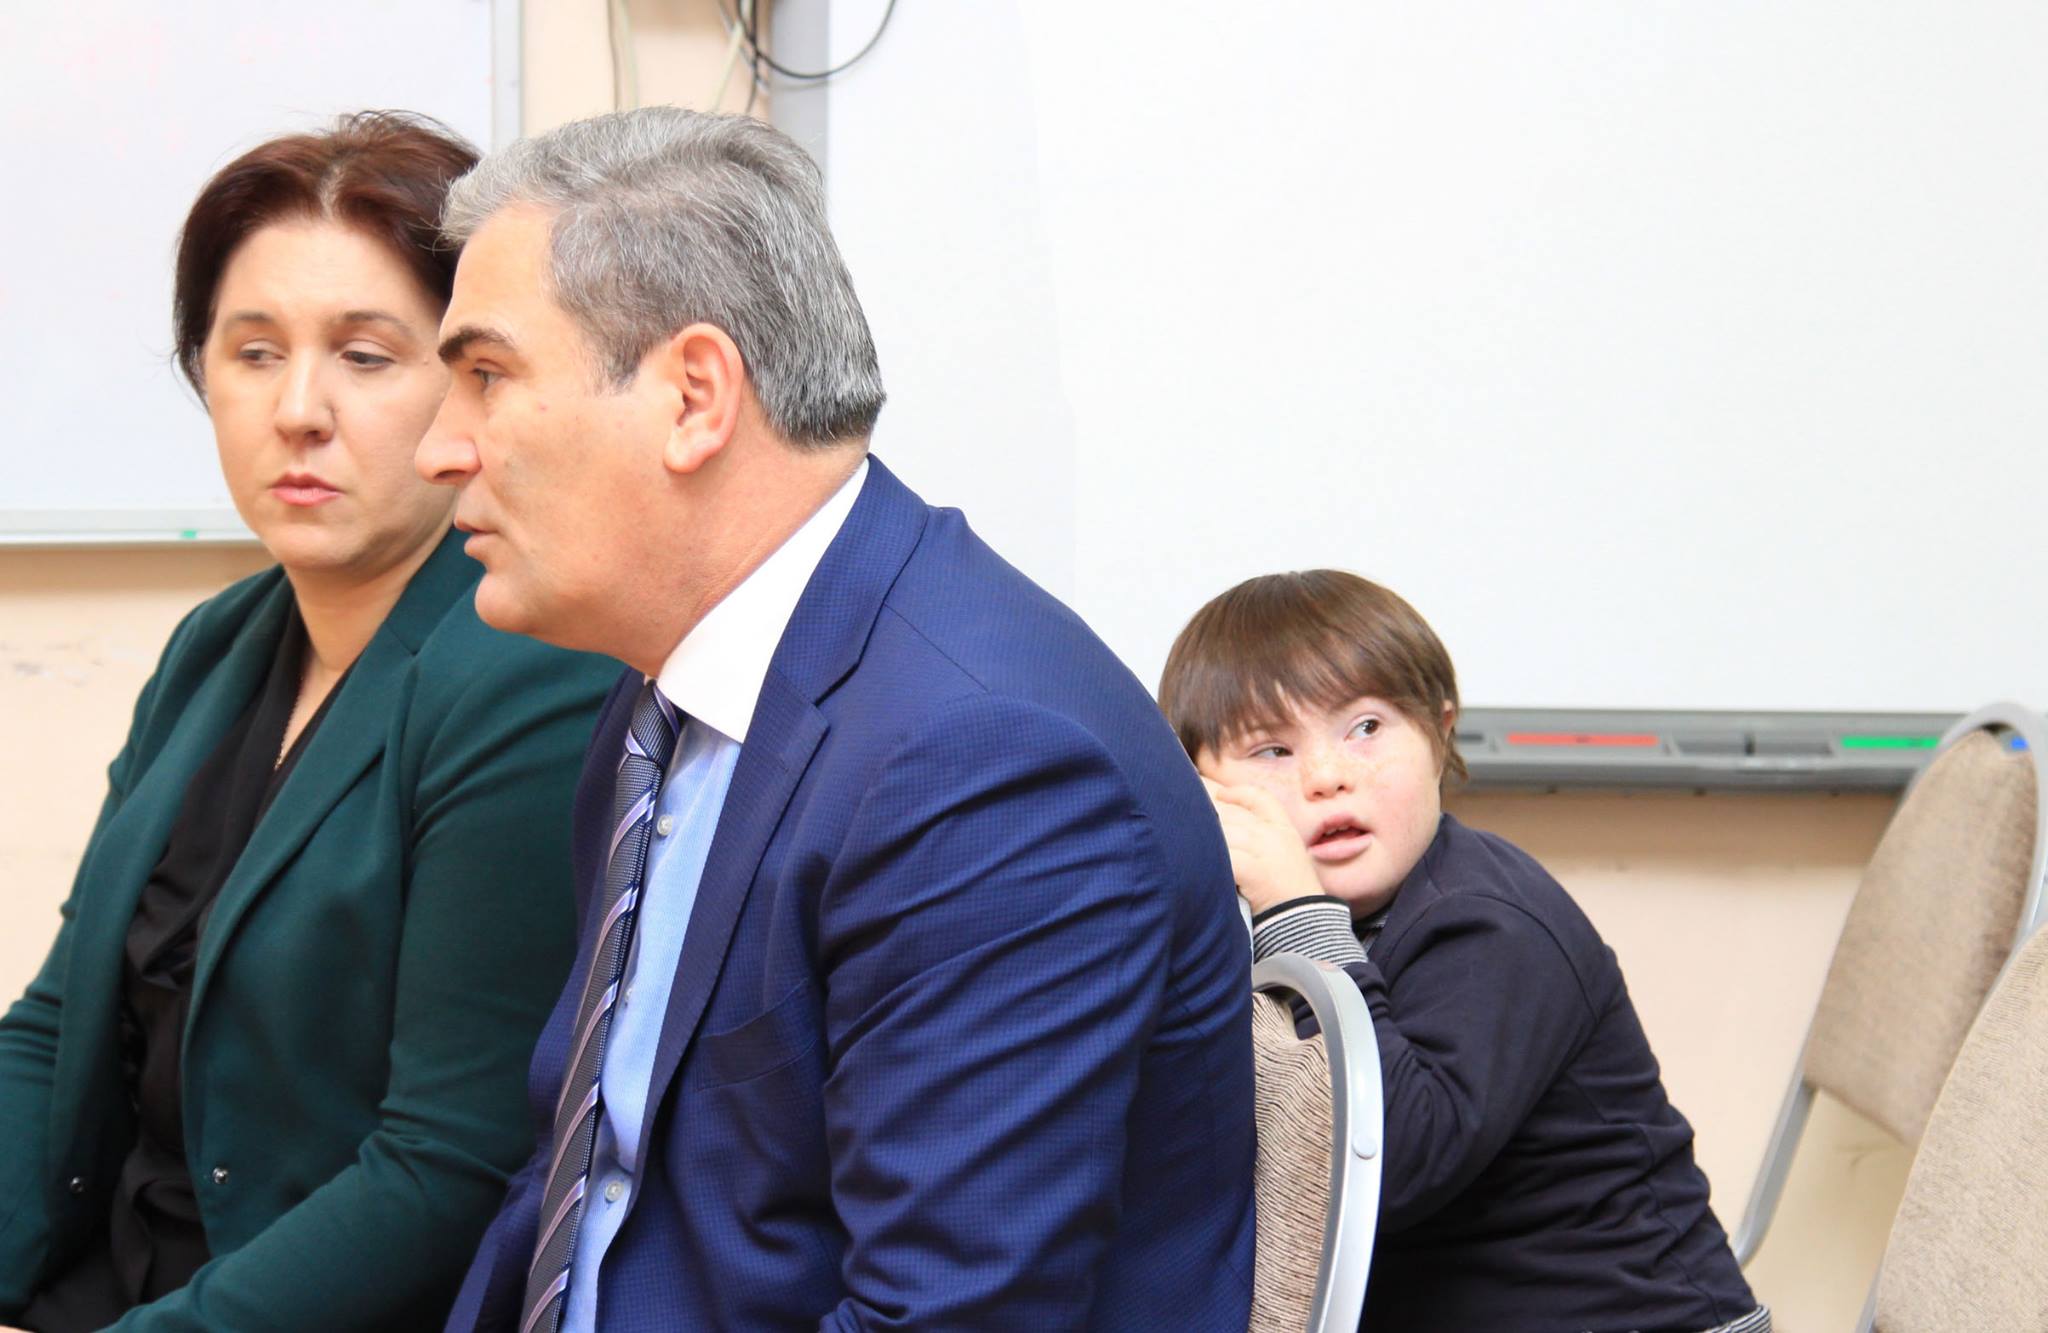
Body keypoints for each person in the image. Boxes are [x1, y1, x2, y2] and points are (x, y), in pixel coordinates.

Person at [419, 107, 1256, 1332]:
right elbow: (578, 1185)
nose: (440, 448)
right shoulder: (665, 698)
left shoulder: (984, 763)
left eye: (486, 377)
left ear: (693, 397)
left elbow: (949, 1317)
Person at [0, 113, 617, 1332]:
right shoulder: (217, 644)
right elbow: (56, 1024)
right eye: (252, 352)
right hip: (112, 1278)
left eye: (366, 356)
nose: (297, 410)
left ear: (473, 384)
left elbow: (445, 1170)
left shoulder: (527, 675)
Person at [1160, 570, 1767, 1333]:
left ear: (1439, 733)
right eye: (1272, 749)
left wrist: (1297, 910)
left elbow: (1384, 1167)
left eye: (1366, 727)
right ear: (1203, 789)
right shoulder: (1265, 924)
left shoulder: (1487, 920)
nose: (1326, 776)